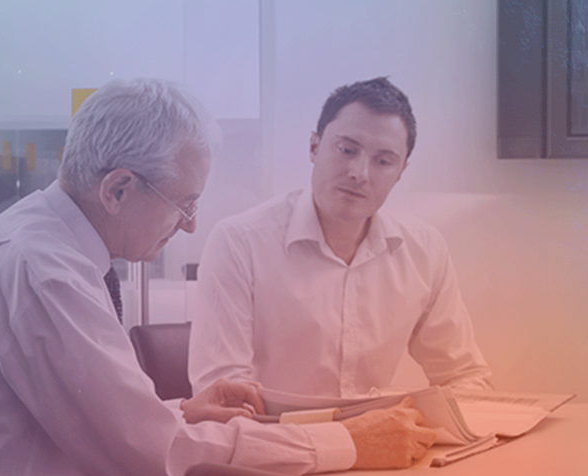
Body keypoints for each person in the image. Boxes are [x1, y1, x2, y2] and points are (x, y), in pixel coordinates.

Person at [0, 78, 437, 476]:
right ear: (117, 188)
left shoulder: (42, 241)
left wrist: (181, 411)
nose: (189, 226)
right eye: (184, 203)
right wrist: (347, 443)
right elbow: (165, 464)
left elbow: (79, 414)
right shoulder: (42, 272)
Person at [189, 77, 493, 399]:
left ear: (401, 171)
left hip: (383, 442)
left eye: (383, 161)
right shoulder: (239, 243)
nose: (359, 173)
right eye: (347, 150)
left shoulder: (424, 250)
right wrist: (339, 443)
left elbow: (465, 375)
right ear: (314, 146)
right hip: (275, 444)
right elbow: (222, 400)